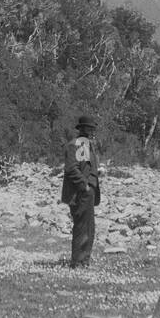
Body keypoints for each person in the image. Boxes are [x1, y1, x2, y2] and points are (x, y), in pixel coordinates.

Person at [60, 114, 102, 268]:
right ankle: (78, 262)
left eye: (93, 128)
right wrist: (84, 186)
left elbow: (85, 167)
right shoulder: (77, 144)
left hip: (88, 192)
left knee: (89, 227)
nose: (92, 131)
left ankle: (84, 261)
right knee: (82, 228)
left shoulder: (85, 144)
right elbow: (71, 169)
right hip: (80, 193)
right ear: (83, 129)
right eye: (90, 128)